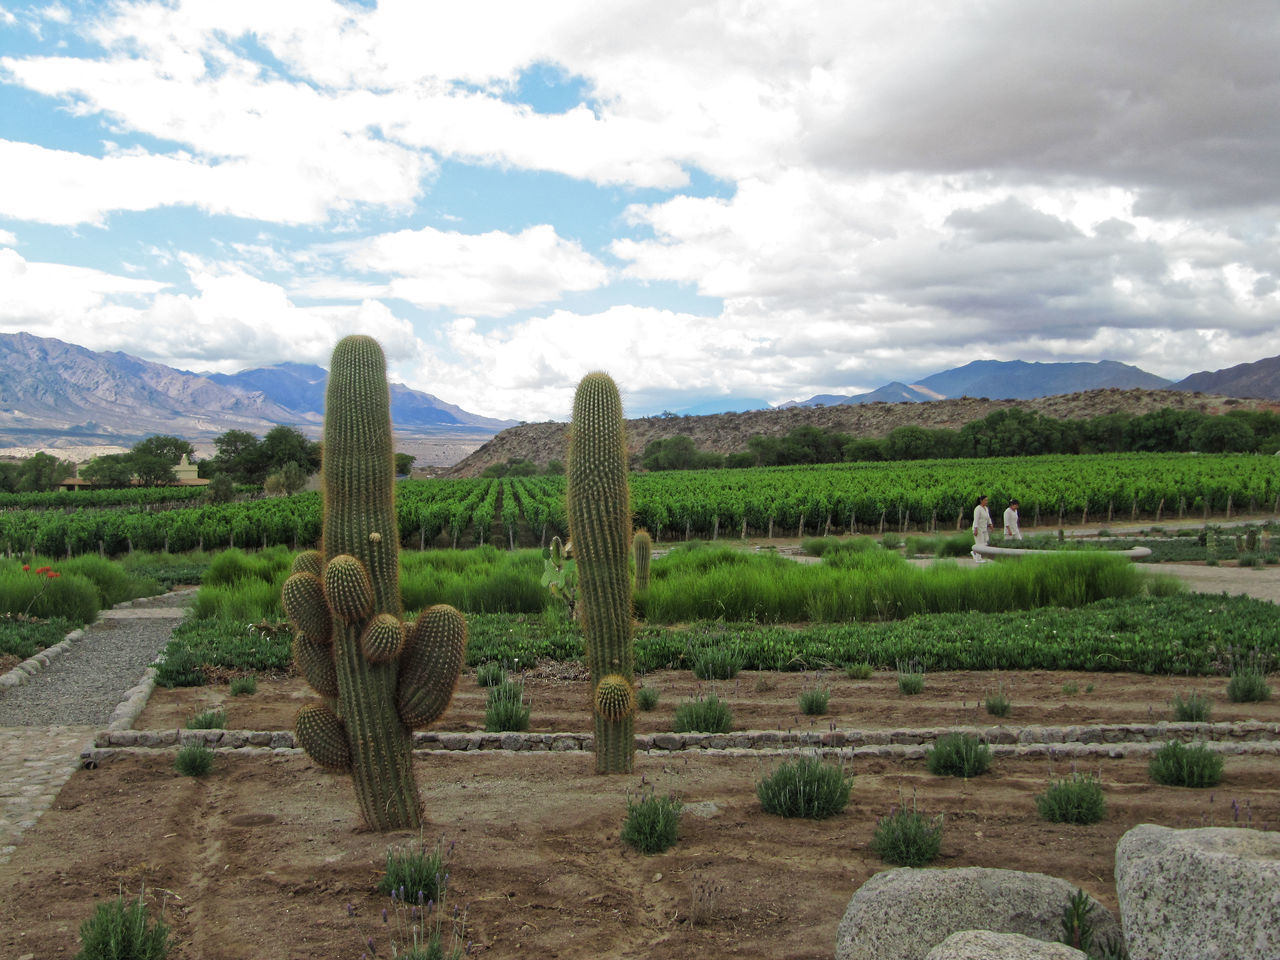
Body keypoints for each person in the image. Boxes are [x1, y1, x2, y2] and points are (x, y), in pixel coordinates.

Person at [972, 495, 992, 562]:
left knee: (986, 541)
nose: (987, 501)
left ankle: (974, 552)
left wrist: (990, 524)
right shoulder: (978, 509)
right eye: (985, 500)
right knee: (979, 543)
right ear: (981, 501)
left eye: (987, 500)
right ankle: (978, 559)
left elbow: (988, 517)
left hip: (984, 528)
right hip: (978, 528)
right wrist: (975, 529)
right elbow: (976, 519)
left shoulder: (986, 508)